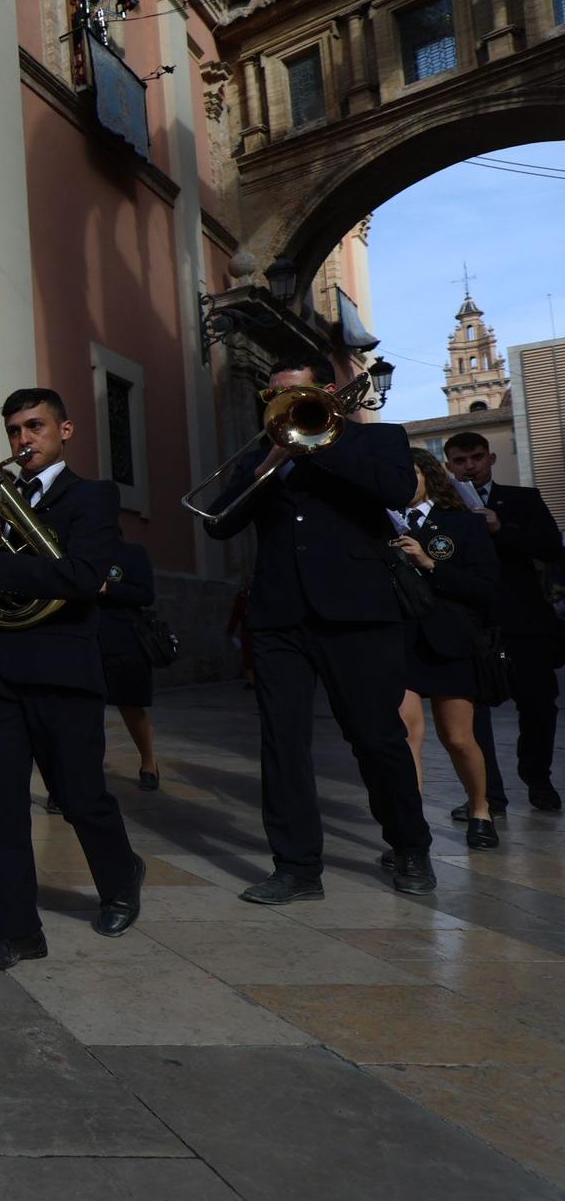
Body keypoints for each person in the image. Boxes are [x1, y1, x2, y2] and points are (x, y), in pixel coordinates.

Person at [204, 352, 433, 902]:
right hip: (280, 615)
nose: (283, 405)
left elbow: (398, 490)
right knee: (282, 743)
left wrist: (324, 442)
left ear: (327, 393)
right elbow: (220, 522)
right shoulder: (263, 454)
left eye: (295, 394)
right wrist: (268, 466)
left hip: (357, 610)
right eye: (274, 397)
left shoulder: (375, 440)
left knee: (375, 736)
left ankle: (409, 846)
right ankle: (297, 866)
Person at [0, 387, 143, 971]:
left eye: (35, 427)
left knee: (81, 797)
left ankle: (121, 877)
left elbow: (83, 576)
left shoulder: (94, 498)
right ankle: (16, 932)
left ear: (65, 431)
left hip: (61, 670)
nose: (23, 441)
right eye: (14, 432)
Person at [442, 430, 564, 814]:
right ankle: (487, 793)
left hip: (524, 621)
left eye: (476, 457)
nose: (470, 466)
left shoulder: (522, 499)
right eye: (460, 461)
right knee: (473, 713)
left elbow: (550, 548)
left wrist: (501, 529)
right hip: (473, 624)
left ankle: (538, 778)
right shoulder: (445, 510)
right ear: (449, 466)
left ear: (490, 458)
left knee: (539, 705)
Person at [392, 448, 501, 849]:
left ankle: (480, 809)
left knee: (457, 738)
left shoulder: (462, 525)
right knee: (405, 736)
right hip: (401, 645)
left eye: (408, 473)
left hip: (451, 644)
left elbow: (487, 590)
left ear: (428, 476)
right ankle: (412, 831)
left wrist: (431, 564)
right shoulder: (379, 526)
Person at [98, 541, 161, 791]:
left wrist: (109, 589)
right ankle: (76, 778)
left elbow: (146, 595)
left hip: (124, 642)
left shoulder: (132, 553)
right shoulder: (77, 549)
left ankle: (149, 762)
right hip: (85, 640)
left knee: (131, 706)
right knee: (83, 713)